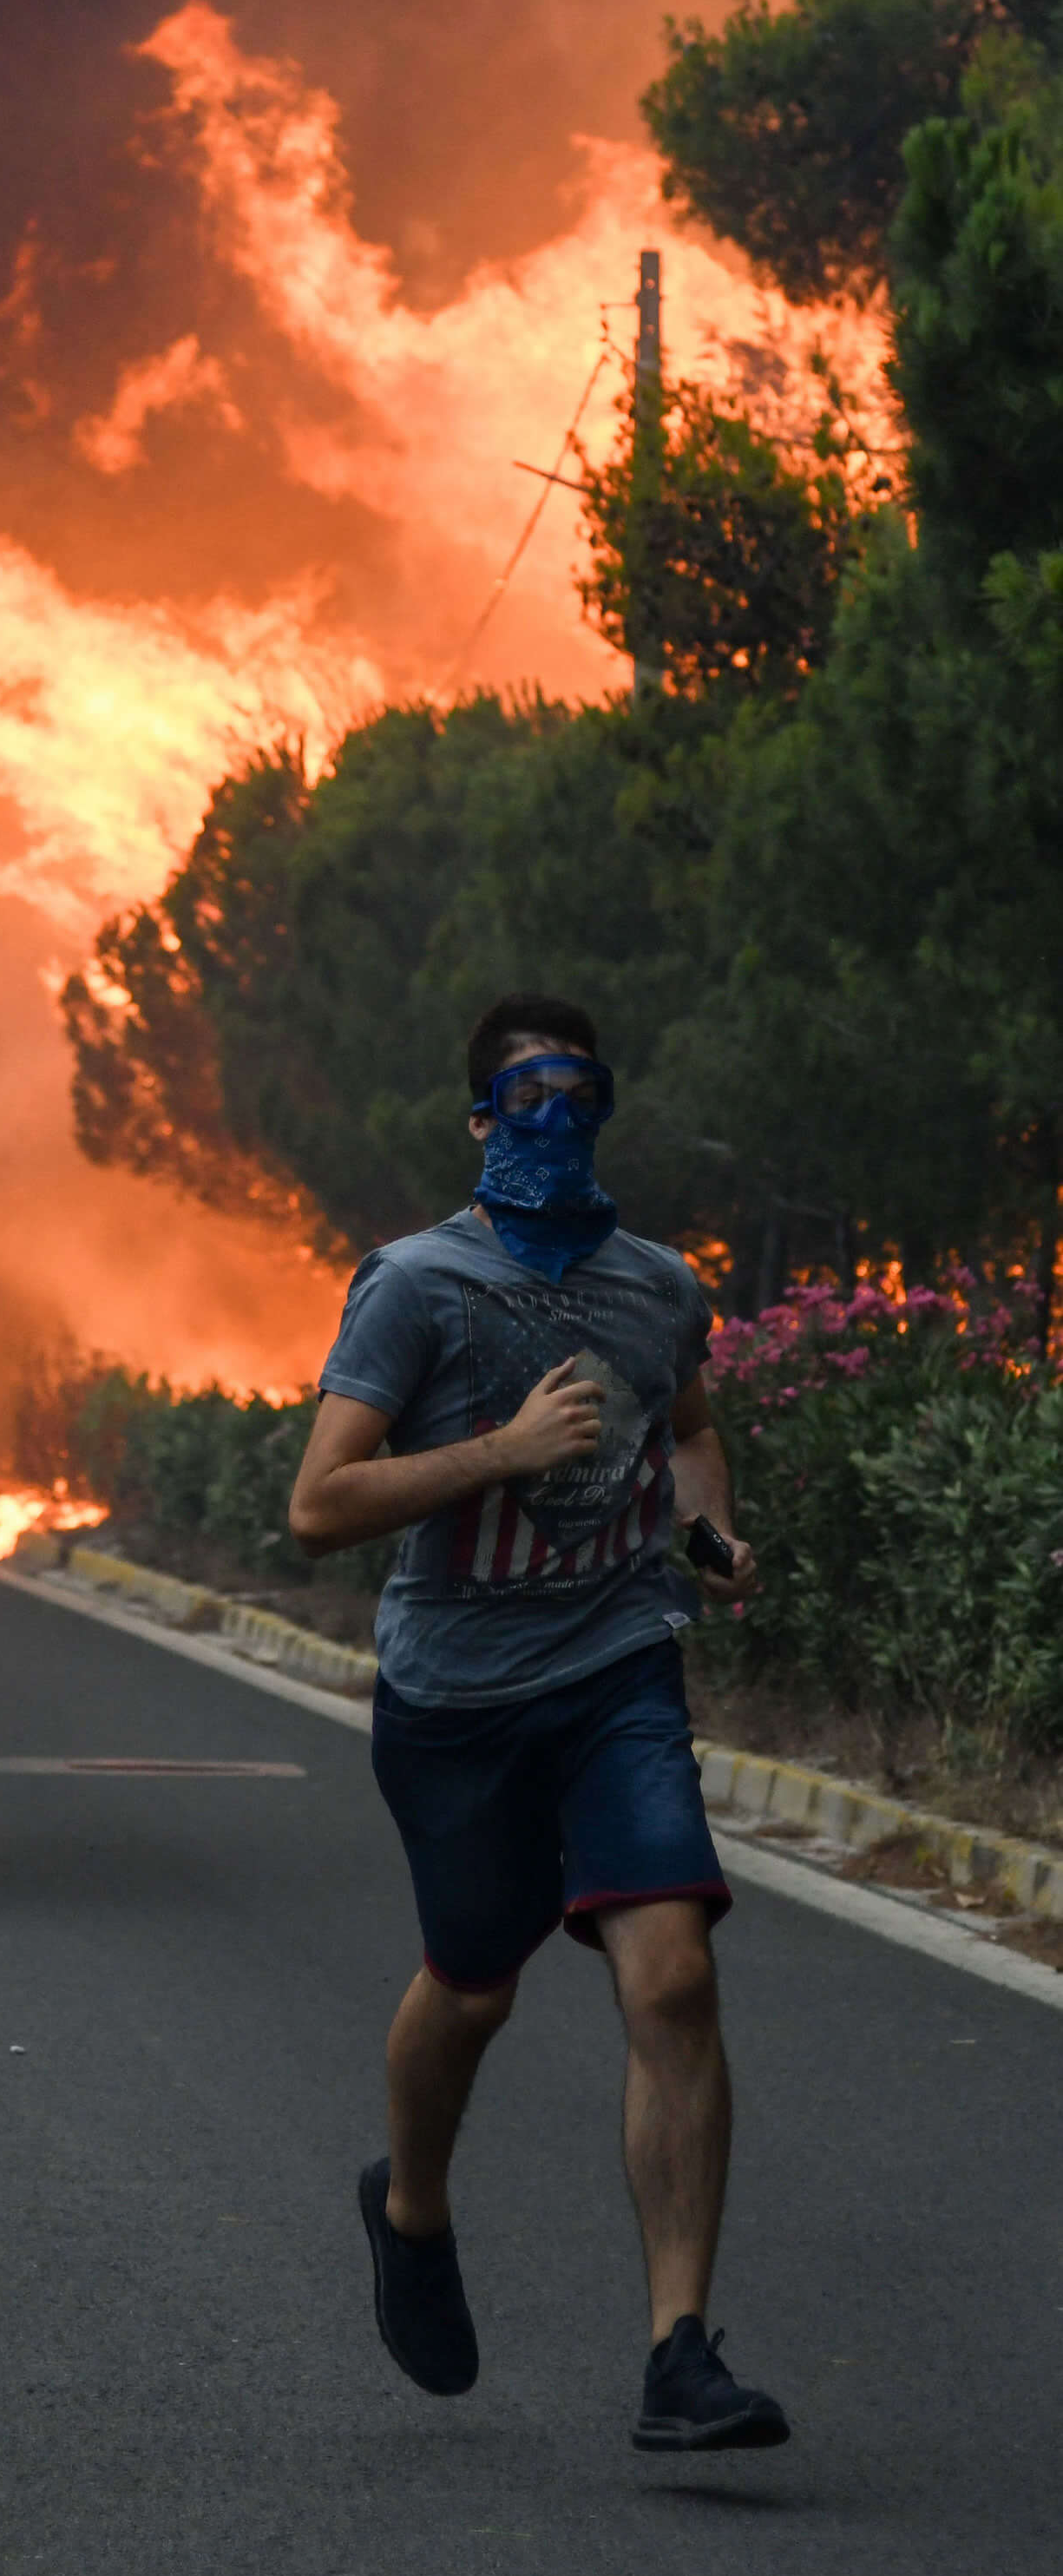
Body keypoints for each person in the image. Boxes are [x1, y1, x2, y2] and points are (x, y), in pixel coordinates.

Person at [287, 993, 787, 2453]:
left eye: (580, 1095)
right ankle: (410, 2206)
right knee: (473, 1984)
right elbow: (316, 1503)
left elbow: (683, 1423)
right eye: (526, 1098)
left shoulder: (654, 1285)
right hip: (452, 1695)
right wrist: (501, 1450)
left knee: (673, 1975)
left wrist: (705, 1533)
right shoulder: (412, 1286)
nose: (555, 1123)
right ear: (478, 1122)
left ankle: (676, 2351)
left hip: (615, 1665)